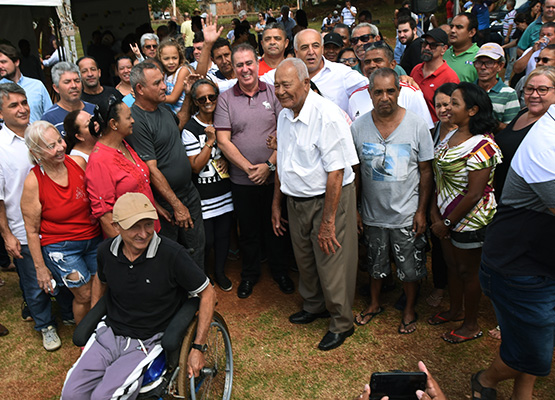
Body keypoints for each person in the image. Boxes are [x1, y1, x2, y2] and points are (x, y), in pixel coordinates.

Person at [60, 192, 216, 400]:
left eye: (148, 225)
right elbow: (101, 280)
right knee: (71, 394)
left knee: (103, 397)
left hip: (147, 341)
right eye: (134, 226)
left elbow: (208, 293)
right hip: (109, 334)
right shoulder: (106, 251)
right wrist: (94, 316)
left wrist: (198, 348)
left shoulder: (172, 255)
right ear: (116, 227)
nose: (143, 234)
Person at [272, 58, 359, 350]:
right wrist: (277, 202)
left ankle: (341, 322)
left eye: (287, 85)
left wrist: (328, 221)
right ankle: (314, 305)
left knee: (332, 260)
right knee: (305, 259)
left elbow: (336, 172)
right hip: (296, 199)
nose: (281, 91)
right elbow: (283, 162)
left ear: (306, 83)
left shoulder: (328, 115)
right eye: (276, 85)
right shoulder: (285, 115)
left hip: (328, 199)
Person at [472, 100, 555, 400]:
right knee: (533, 353)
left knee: (525, 341)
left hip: (541, 260)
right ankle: (485, 379)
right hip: (520, 267)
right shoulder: (546, 143)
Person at [351, 68, 434, 334]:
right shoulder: (358, 127)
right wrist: (355, 210)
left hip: (406, 213)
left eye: (390, 91)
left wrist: (421, 211)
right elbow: (355, 174)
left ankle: (409, 308)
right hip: (373, 213)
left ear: (399, 91)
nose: (384, 97)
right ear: (369, 93)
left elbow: (425, 171)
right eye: (378, 92)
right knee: (375, 263)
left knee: (410, 267)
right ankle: (374, 304)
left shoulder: (417, 125)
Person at [214, 44, 293, 299]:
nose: (245, 69)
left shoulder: (274, 93)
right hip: (242, 179)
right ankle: (249, 274)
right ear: (233, 68)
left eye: (249, 63)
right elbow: (224, 140)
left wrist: (269, 165)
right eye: (239, 65)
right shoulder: (226, 99)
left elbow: (285, 133)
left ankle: (280, 271)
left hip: (274, 178)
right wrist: (249, 168)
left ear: (257, 63)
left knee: (277, 226)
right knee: (247, 231)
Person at [0, 83, 74, 351]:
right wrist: (7, 235)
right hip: (23, 228)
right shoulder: (0, 148)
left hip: (57, 224)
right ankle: (44, 324)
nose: (22, 109)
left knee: (64, 274)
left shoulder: (43, 132)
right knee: (34, 282)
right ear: (0, 112)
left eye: (23, 102)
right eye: (13, 105)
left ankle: (68, 314)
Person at [428, 82, 502, 344]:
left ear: (472, 110)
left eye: (454, 103)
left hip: (469, 220)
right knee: (452, 265)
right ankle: (455, 309)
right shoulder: (450, 135)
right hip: (444, 217)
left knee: (468, 271)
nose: (447, 108)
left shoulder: (483, 146)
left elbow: (474, 193)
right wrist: (436, 215)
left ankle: (471, 324)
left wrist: (446, 222)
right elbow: (439, 177)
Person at [21, 120, 102, 327]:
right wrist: (40, 268)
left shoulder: (77, 162)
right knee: (83, 295)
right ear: (36, 152)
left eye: (60, 141)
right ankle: (85, 338)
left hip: (93, 239)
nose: (60, 148)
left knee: (99, 290)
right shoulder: (34, 182)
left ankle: (101, 333)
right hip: (62, 247)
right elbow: (31, 231)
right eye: (51, 146)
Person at [124, 61, 204, 270]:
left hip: (188, 191)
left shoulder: (162, 108)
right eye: (158, 83)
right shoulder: (137, 121)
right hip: (168, 202)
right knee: (172, 254)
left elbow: (179, 123)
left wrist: (187, 95)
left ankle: (199, 292)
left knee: (197, 246)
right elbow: (151, 169)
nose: (165, 87)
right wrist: (177, 205)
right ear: (140, 89)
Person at [182, 79, 234, 291]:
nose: (208, 102)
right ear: (195, 101)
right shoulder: (190, 129)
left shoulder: (225, 120)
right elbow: (195, 166)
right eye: (202, 99)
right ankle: (204, 275)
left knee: (224, 236)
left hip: (225, 193)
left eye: (212, 97)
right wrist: (210, 142)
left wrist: (227, 159)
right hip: (203, 196)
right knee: (207, 240)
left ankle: (220, 272)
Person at [85, 97, 162, 238]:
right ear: (114, 124)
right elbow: (105, 215)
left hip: (150, 232)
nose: (133, 121)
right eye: (128, 118)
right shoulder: (99, 161)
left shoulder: (123, 143)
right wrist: (127, 249)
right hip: (133, 240)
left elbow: (140, 183)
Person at [494, 67, 555, 200]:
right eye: (529, 89)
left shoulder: (549, 127)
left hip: (524, 206)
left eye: (542, 90)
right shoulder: (523, 112)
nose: (534, 95)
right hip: (499, 194)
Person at [348, 42, 434, 128]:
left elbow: (426, 130)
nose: (372, 65)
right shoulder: (355, 97)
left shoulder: (410, 93)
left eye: (378, 60)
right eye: (367, 62)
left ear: (392, 64)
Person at [426, 83, 459, 309]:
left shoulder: (470, 130)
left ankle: (462, 295)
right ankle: (440, 286)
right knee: (438, 246)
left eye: (448, 104)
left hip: (462, 200)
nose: (443, 109)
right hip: (437, 200)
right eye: (438, 105)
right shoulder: (434, 130)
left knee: (462, 251)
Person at [293, 29, 368, 114]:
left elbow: (370, 90)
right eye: (304, 47)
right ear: (296, 52)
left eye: (315, 46)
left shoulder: (343, 74)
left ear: (322, 49)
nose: (311, 52)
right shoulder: (288, 76)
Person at [411, 28, 460, 121]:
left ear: (444, 49)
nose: (426, 48)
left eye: (433, 46)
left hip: (438, 130)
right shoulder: (416, 70)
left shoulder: (450, 77)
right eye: (424, 43)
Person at [0, 44, 52, 123]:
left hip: (38, 134)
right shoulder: (1, 89)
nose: (0, 66)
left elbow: (50, 115)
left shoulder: (37, 85)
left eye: (3, 62)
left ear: (16, 62)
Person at [41, 62, 96, 136]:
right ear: (56, 88)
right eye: (67, 82)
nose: (74, 86)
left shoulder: (94, 110)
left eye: (77, 81)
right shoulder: (49, 119)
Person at [473, 43, 520, 130]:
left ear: (500, 66)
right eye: (479, 62)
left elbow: (511, 128)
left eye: (489, 63)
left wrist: (491, 123)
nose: (483, 67)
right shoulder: (467, 91)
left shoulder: (509, 94)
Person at [156, 39, 191, 114]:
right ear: (160, 58)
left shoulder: (183, 71)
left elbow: (173, 98)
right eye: (166, 59)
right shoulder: (164, 74)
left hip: (182, 115)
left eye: (175, 58)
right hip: (169, 114)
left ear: (180, 56)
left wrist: (150, 98)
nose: (171, 62)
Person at [444, 13, 480, 82]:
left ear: (472, 32)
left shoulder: (479, 57)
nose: (453, 30)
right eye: (451, 27)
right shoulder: (442, 54)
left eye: (459, 27)